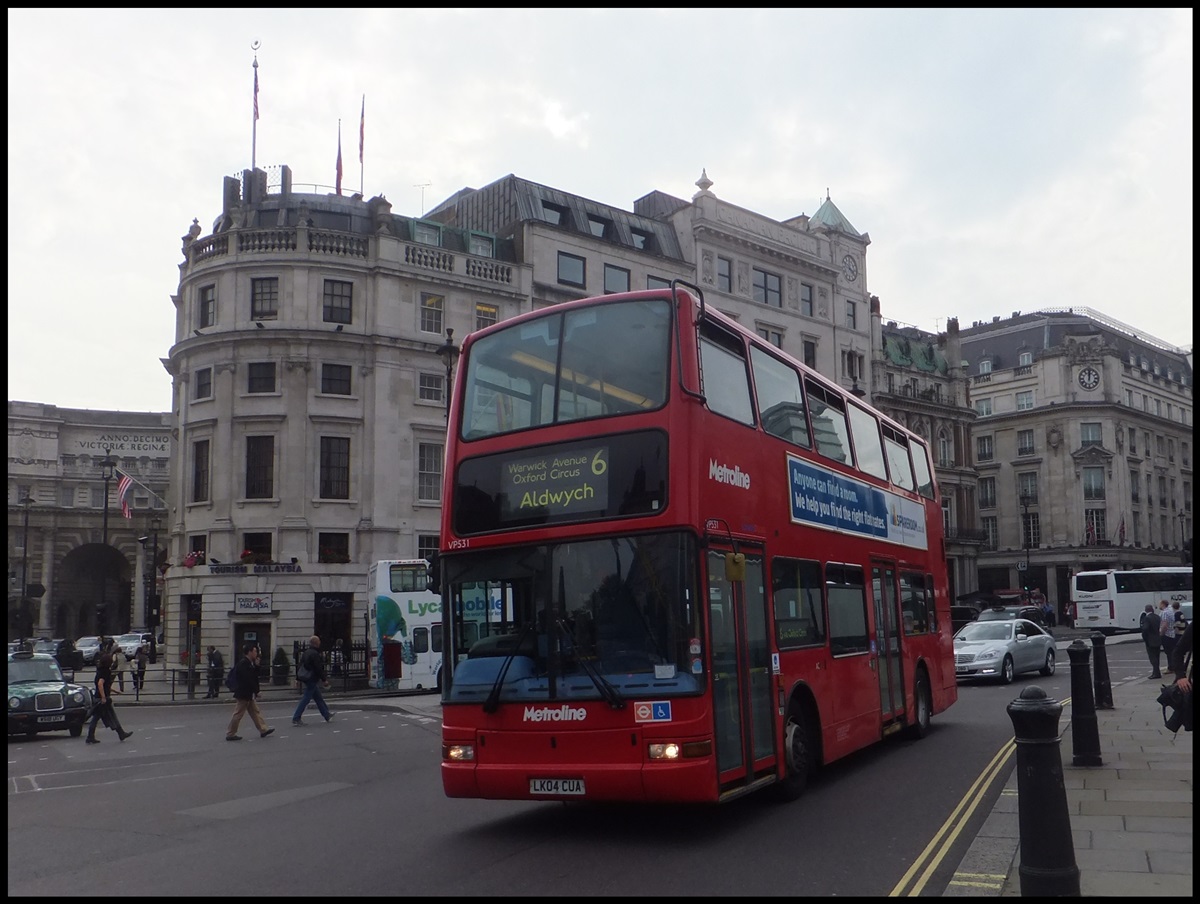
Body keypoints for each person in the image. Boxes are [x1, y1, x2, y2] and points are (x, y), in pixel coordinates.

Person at [226, 643, 275, 741]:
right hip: (244, 693)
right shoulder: (244, 664)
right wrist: (257, 691)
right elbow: (249, 679)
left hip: (247, 693)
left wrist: (256, 666)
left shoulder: (248, 663)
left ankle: (263, 729)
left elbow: (254, 676)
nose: (256, 653)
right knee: (238, 714)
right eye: (255, 651)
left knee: (255, 712)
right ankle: (230, 733)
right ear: (249, 652)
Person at [85, 649, 133, 744]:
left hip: (98, 697)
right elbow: (100, 684)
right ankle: (120, 733)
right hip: (102, 699)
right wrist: (103, 697)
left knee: (97, 717)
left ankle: (91, 737)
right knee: (110, 716)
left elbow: (105, 685)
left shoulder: (99, 670)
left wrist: (115, 691)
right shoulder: (105, 671)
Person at [292, 635, 333, 726]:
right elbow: (318, 668)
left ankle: (326, 714)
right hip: (312, 678)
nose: (320, 643)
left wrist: (297, 679)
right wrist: (324, 679)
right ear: (316, 643)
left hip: (305, 677)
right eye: (319, 641)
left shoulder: (306, 652)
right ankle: (296, 717)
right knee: (306, 698)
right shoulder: (315, 654)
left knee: (318, 697)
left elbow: (300, 666)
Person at [1139, 603, 1163, 679]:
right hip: (1158, 639)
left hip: (1150, 640)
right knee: (1157, 657)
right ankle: (1156, 672)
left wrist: (1145, 638)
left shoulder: (1147, 618)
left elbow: (1145, 629)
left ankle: (1156, 673)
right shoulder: (1157, 617)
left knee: (1152, 658)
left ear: (1146, 610)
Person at [1158, 599, 1178, 666]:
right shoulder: (1170, 611)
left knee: (1168, 652)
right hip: (1172, 634)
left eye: (1160, 604)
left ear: (1163, 604)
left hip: (1167, 635)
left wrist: (1161, 634)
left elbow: (1164, 625)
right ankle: (1174, 665)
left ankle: (1171, 667)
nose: (1159, 605)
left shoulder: (1164, 612)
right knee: (1172, 651)